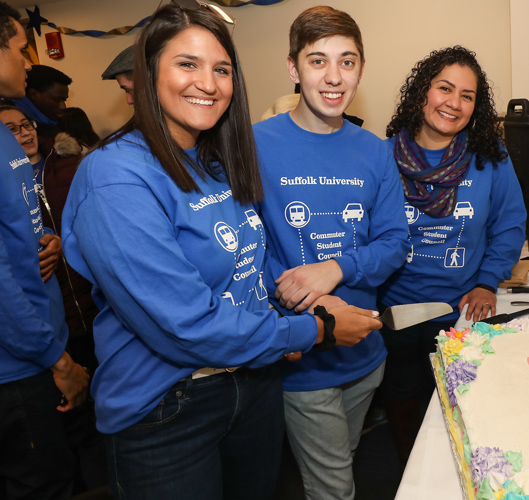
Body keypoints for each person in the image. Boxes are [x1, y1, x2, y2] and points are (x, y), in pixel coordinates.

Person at [60, 4, 381, 499]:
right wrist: (319, 327)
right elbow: (185, 326)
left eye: (222, 69)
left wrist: (305, 301)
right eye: (187, 64)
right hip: (170, 407)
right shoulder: (115, 177)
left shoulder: (216, 162)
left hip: (251, 384)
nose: (207, 83)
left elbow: (246, 275)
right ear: (148, 74)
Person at [253, 6, 409, 499]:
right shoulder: (253, 145)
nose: (334, 76)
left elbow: (394, 243)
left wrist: (335, 268)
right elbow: (248, 252)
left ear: (361, 69)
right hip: (304, 360)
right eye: (318, 61)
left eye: (347, 61)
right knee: (334, 487)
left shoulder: (375, 150)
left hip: (366, 355)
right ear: (293, 68)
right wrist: (313, 300)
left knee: (344, 460)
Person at [379, 45, 527, 466]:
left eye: (467, 95)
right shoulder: (381, 157)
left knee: (467, 415)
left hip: (461, 311)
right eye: (445, 88)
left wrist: (486, 281)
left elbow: (509, 225)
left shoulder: (490, 159)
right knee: (406, 411)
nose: (454, 103)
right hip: (395, 313)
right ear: (422, 92)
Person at [0, 3, 91, 499]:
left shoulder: (7, 142)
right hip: (18, 365)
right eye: (18, 49)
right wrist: (57, 359)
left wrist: (44, 237)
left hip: (38, 348)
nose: (26, 63)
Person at [11, 64, 71, 138]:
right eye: (57, 99)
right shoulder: (13, 126)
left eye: (64, 100)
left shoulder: (57, 122)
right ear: (34, 94)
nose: (63, 107)